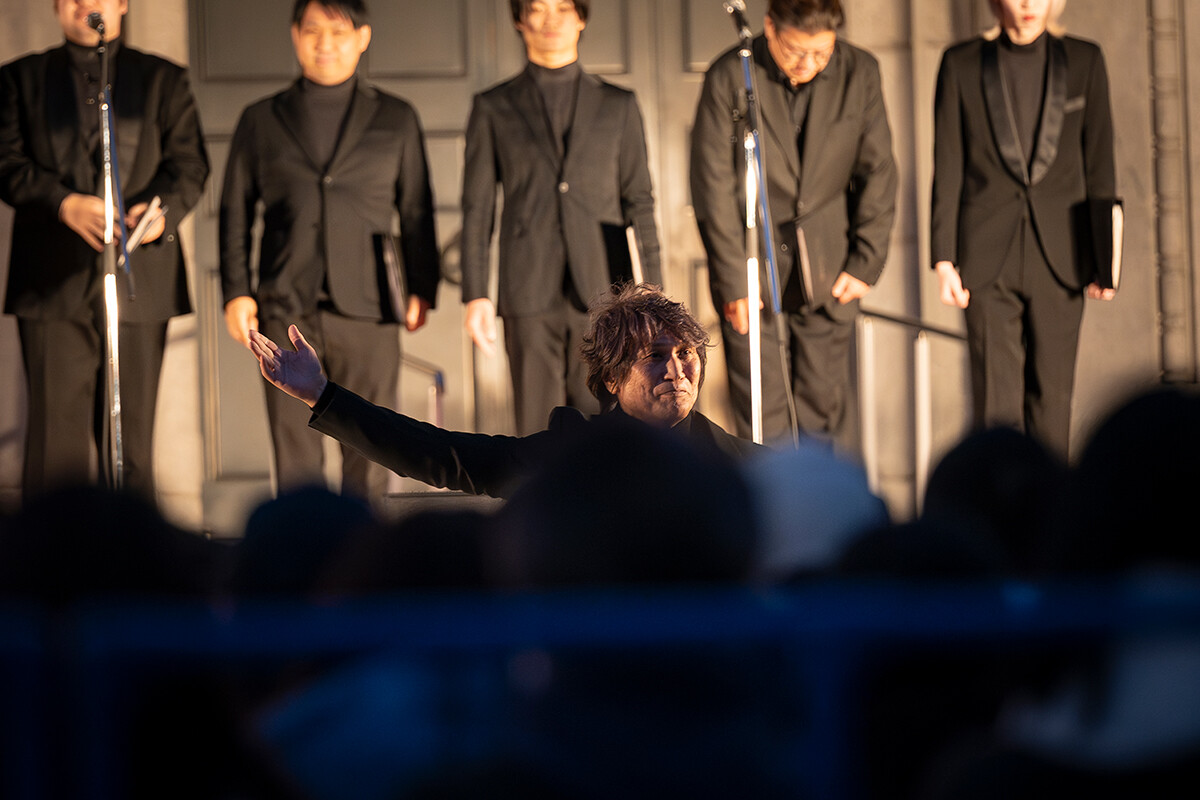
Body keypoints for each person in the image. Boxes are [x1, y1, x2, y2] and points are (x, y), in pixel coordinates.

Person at [219, 0, 440, 502]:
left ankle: (365, 549)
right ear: (295, 35)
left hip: (370, 306)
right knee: (294, 451)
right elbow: (234, 211)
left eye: (338, 32)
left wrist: (422, 287)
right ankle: (302, 547)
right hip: (284, 302)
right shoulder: (261, 118)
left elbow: (416, 209)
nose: (325, 43)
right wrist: (236, 291)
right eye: (313, 30)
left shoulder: (396, 116)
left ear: (362, 37)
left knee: (372, 446)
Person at [248, 283, 758, 499]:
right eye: (654, 355)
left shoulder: (750, 467)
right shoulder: (573, 453)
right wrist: (323, 396)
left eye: (686, 352)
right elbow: (443, 456)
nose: (677, 369)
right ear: (612, 379)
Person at [0, 0, 210, 502]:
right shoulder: (19, 78)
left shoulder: (163, 79)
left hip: (140, 275)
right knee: (55, 444)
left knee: (131, 438)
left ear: (122, 4)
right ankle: (51, 551)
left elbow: (189, 166)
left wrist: (159, 213)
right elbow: (6, 162)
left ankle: (133, 549)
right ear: (57, 7)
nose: (86, 3)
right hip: (51, 280)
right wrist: (62, 203)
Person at [690, 0, 897, 449]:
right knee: (762, 418)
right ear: (769, 28)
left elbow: (878, 170)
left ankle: (821, 497)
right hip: (752, 272)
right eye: (795, 51)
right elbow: (712, 185)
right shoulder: (730, 74)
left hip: (829, 269)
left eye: (822, 53)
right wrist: (734, 281)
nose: (808, 64)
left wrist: (866, 260)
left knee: (822, 416)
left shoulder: (860, 72)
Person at [461, 0, 661, 435]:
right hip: (527, 288)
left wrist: (653, 291)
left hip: (605, 288)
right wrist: (475, 294)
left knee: (607, 426)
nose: (551, 19)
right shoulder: (493, 105)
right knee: (536, 429)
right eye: (538, 7)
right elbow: (478, 208)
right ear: (520, 19)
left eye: (563, 7)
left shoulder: (618, 104)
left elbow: (639, 202)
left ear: (581, 17)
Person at [930, 0, 1116, 459]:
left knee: (1053, 401)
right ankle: (997, 501)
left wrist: (1104, 259)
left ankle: (1051, 503)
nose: (1029, 4)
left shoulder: (1085, 60)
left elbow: (1100, 165)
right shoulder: (960, 64)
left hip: (1063, 255)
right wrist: (944, 258)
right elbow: (948, 165)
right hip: (985, 256)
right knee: (994, 408)